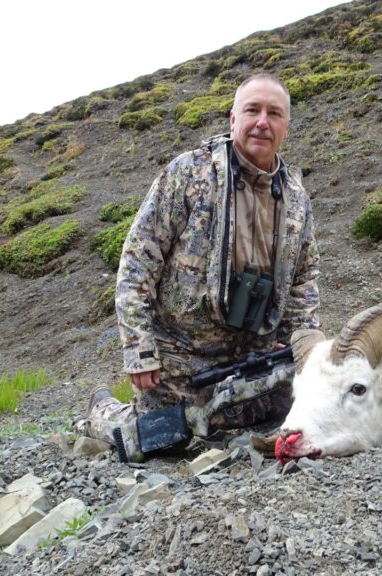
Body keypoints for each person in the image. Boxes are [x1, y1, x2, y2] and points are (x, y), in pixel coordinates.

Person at [77, 73, 320, 447]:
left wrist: (296, 343)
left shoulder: (297, 198)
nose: (262, 122)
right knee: (162, 437)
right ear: (233, 119)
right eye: (252, 110)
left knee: (294, 413)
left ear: (286, 126)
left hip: (255, 359)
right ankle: (103, 411)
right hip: (182, 358)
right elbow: (138, 262)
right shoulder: (188, 173)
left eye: (274, 113)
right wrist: (140, 351)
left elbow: (304, 279)